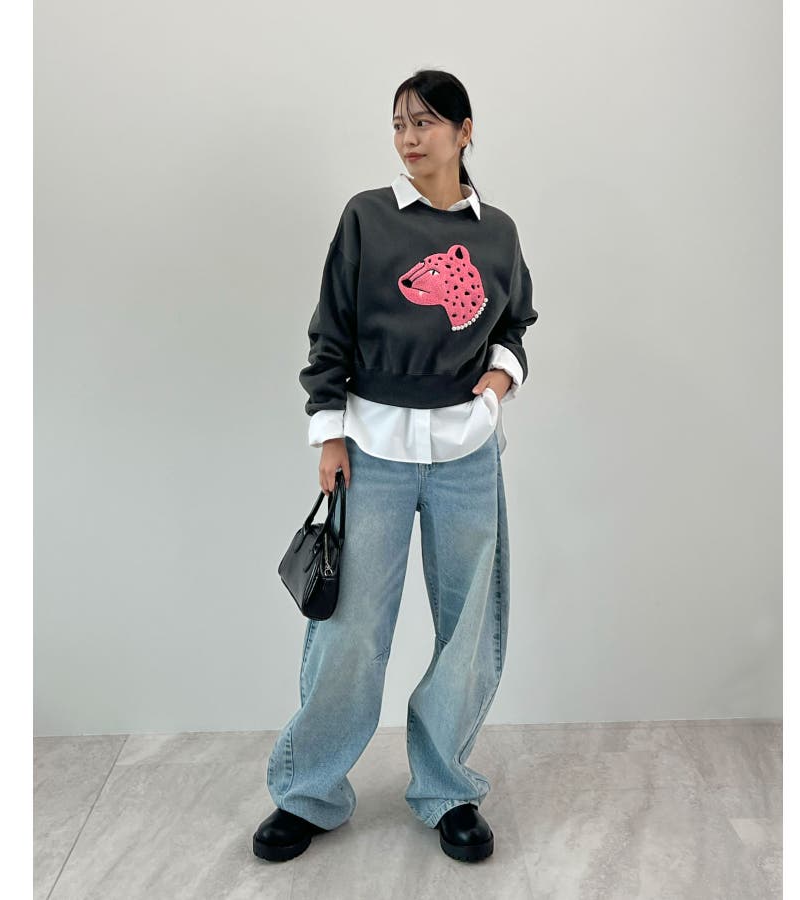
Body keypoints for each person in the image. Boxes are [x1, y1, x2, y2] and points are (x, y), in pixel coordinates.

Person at [253, 69, 538, 864]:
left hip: (466, 453)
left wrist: (498, 382)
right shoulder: (367, 217)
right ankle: (308, 792)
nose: (409, 138)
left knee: (469, 629)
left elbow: (515, 325)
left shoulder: (497, 232)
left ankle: (447, 788)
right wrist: (329, 432)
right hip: (371, 447)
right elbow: (331, 327)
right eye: (399, 124)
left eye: (425, 122)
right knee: (347, 629)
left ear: (465, 131)